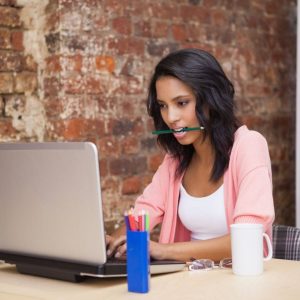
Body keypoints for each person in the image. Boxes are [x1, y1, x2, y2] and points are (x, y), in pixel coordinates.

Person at [106, 48, 275, 262]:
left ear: (210, 100)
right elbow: (143, 213)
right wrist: (111, 244)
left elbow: (248, 238)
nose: (170, 117)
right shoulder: (176, 160)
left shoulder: (249, 146)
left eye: (182, 103)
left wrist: (163, 250)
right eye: (163, 106)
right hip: (188, 281)